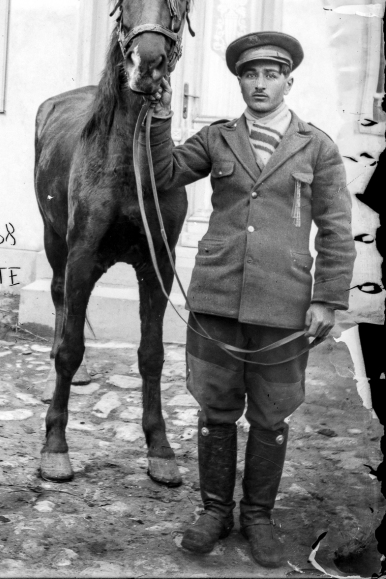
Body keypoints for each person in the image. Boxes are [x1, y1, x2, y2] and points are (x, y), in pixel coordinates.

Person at [141, 31, 356, 568]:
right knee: (215, 410)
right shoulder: (217, 139)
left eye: (270, 75)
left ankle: (257, 517)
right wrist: (162, 116)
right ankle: (214, 512)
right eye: (249, 75)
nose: (259, 85)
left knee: (271, 415)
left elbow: (335, 229)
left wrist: (327, 299)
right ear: (239, 80)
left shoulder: (317, 146)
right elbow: (163, 173)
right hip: (216, 299)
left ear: (288, 81)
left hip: (284, 303)